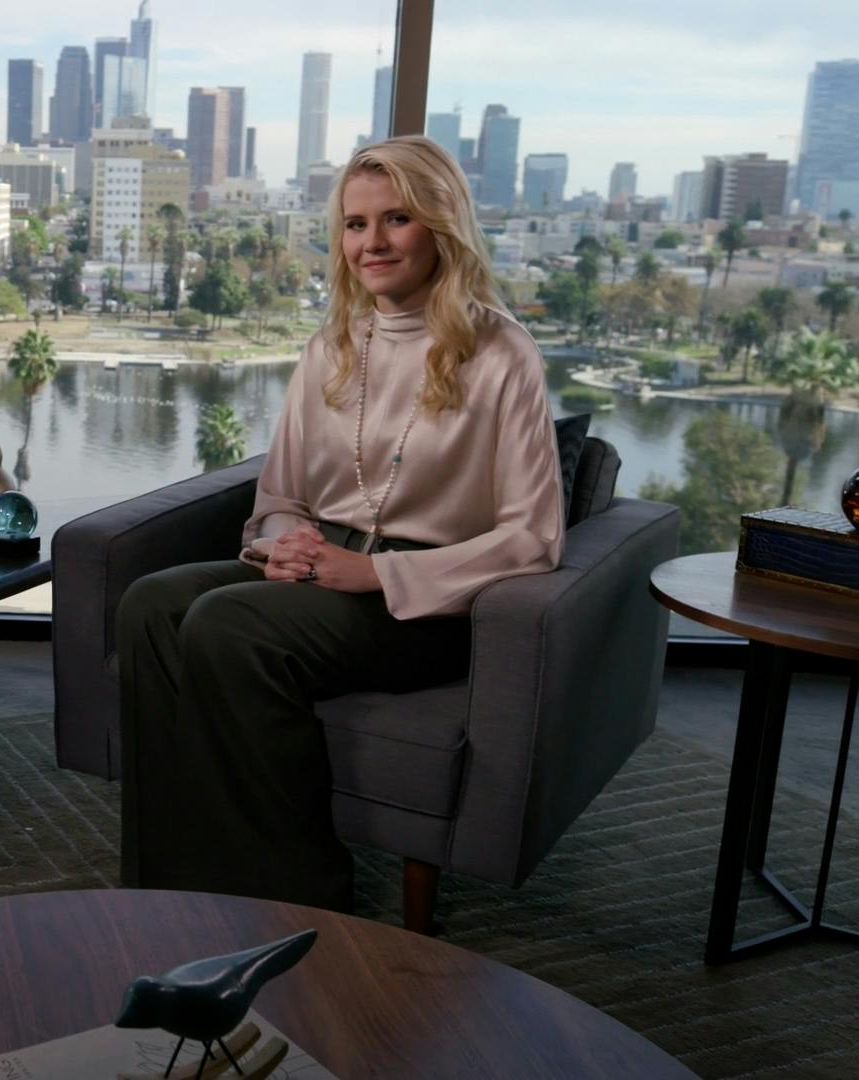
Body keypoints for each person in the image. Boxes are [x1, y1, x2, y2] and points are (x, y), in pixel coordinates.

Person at [116, 135, 565, 912]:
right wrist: (279, 544)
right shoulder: (329, 347)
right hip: (321, 570)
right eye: (355, 225)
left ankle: (302, 898)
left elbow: (534, 537)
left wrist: (377, 572)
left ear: (442, 225)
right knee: (150, 605)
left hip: (423, 601)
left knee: (228, 625)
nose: (373, 243)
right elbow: (279, 494)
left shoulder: (501, 352)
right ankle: (171, 881)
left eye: (397, 219)